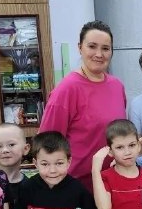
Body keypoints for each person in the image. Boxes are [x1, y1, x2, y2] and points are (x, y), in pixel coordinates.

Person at [39, 21, 126, 191]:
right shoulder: (67, 89)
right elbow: (47, 143)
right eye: (92, 46)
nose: (99, 54)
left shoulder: (117, 86)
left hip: (114, 183)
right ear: (80, 48)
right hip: (78, 187)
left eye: (105, 48)